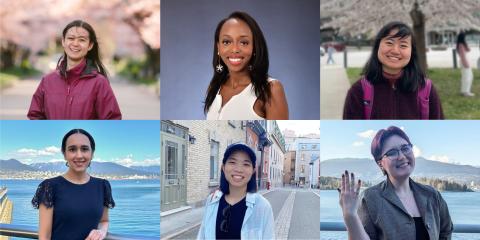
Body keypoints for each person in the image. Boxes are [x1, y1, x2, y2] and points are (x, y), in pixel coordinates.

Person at [338, 126, 453, 240]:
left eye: (405, 148)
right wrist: (350, 216)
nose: (402, 156)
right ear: (380, 163)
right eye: (392, 153)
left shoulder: (432, 195)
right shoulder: (370, 199)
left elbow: (446, 231)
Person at [343, 22, 444, 119]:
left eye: (403, 45)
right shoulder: (358, 91)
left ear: (411, 52)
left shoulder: (426, 89)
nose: (395, 51)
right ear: (378, 46)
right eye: (389, 43)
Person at [28, 20, 122, 119]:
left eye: (82, 40)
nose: (75, 43)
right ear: (63, 42)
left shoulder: (99, 83)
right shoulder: (47, 81)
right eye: (71, 38)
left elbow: (112, 120)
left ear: (90, 45)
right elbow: (35, 116)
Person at [32, 129, 115, 240]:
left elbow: (104, 220)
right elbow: (44, 237)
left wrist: (101, 231)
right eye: (72, 149)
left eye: (85, 149)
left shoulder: (102, 186)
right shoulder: (49, 187)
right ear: (64, 154)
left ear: (92, 153)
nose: (79, 155)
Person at [204, 11, 288, 120]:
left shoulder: (271, 89)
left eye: (244, 42)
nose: (234, 49)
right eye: (226, 42)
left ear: (255, 47)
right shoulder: (214, 87)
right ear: (218, 47)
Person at [197, 143, 275, 239]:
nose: (238, 169)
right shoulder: (212, 201)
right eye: (232, 162)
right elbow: (202, 236)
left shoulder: (262, 206)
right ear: (223, 167)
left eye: (246, 164)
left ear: (253, 171)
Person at [456, 31, 474, 97]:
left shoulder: (462, 44)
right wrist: (466, 64)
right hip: (464, 62)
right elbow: (463, 56)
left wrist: (466, 44)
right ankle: (466, 92)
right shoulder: (461, 45)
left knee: (468, 76)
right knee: (467, 77)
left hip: (465, 61)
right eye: (465, 37)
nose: (466, 38)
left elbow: (469, 49)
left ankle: (465, 91)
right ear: (462, 37)